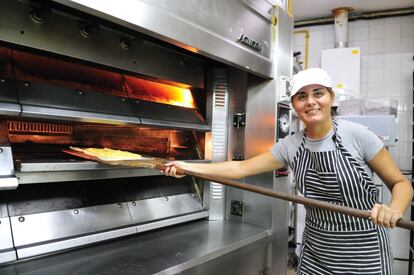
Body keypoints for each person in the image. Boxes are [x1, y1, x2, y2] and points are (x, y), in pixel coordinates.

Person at [163, 67, 413, 274]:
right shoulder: (291, 145)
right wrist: (189, 167)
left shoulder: (358, 136)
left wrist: (393, 210)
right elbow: (241, 168)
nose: (311, 102)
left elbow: (401, 183)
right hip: (318, 253)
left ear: (331, 98)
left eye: (318, 93)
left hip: (364, 254)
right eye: (301, 96)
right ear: (293, 104)